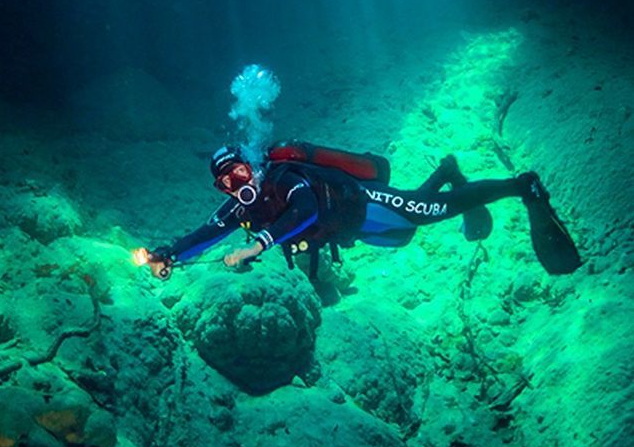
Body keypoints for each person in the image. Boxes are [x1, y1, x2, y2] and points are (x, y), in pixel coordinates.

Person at [141, 142, 581, 280]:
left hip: (365, 201)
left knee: (431, 211)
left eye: (239, 172)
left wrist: (259, 244)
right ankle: (446, 171)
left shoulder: (283, 178)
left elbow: (306, 210)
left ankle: (522, 186)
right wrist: (169, 254)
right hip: (352, 229)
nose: (236, 185)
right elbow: (207, 232)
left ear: (250, 165)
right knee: (405, 234)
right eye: (226, 183)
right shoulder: (239, 207)